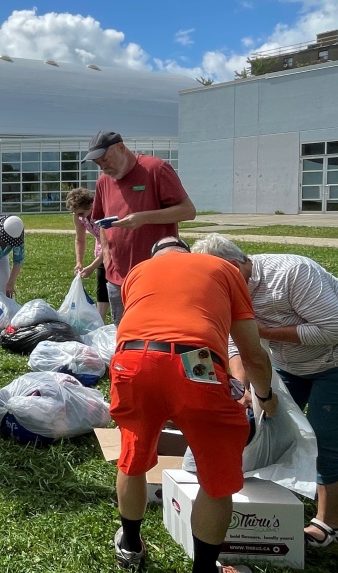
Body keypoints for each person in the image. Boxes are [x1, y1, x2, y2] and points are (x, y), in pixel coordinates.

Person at [191, 233, 338, 549]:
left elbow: (336, 329)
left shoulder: (292, 273)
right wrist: (245, 388)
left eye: (219, 276)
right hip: (290, 363)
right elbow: (236, 342)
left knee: (325, 435)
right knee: (269, 424)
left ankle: (331, 525)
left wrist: (260, 331)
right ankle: (276, 497)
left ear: (236, 265)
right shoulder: (225, 286)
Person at [110, 236, 275, 573]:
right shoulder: (221, 267)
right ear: (187, 251)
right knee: (216, 475)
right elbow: (251, 352)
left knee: (132, 458)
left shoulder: (138, 272)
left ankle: (129, 545)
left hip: (133, 360)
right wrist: (265, 395)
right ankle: (203, 569)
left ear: (156, 255)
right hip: (194, 360)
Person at [84, 131, 197, 324]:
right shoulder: (103, 181)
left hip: (157, 275)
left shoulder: (155, 169)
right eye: (98, 164)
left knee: (160, 331)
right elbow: (101, 222)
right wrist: (106, 254)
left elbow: (188, 211)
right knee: (125, 333)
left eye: (105, 160)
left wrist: (144, 218)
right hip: (118, 278)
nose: (103, 167)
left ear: (121, 147)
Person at [65, 187, 109, 323]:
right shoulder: (79, 216)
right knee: (102, 283)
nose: (79, 216)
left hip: (116, 248)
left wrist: (91, 267)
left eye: (81, 213)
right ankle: (100, 321)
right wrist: (79, 262)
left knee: (116, 285)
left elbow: (110, 244)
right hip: (100, 248)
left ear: (91, 205)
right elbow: (80, 239)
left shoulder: (103, 213)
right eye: (75, 213)